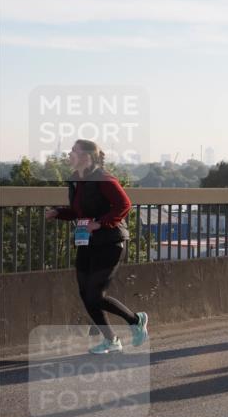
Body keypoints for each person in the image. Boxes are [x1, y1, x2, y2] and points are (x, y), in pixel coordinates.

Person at [44, 140, 150, 355]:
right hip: (88, 243)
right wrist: (58, 213)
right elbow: (79, 212)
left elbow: (124, 205)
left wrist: (100, 223)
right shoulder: (76, 181)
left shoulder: (103, 178)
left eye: (74, 151)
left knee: (95, 295)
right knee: (85, 294)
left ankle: (135, 320)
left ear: (86, 157)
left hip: (110, 243)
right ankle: (112, 341)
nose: (69, 153)